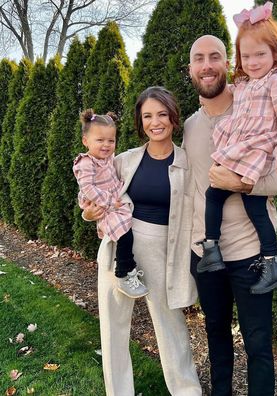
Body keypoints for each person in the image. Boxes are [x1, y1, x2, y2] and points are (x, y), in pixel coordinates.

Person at [185, 28, 277, 396]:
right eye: (199, 59)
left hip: (250, 254)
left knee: (257, 345)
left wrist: (246, 185)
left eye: (214, 57)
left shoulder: (257, 102)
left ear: (226, 63)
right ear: (190, 69)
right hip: (205, 255)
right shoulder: (189, 126)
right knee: (216, 336)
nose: (207, 66)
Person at [83, 87, 202, 396]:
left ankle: (187, 391)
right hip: (118, 247)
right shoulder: (124, 160)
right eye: (147, 116)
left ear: (174, 118)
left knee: (171, 329)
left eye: (162, 114)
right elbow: (93, 190)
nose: (155, 122)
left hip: (163, 251)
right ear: (140, 121)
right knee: (112, 329)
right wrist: (89, 214)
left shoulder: (187, 163)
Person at [197, 1, 277, 296]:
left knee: (229, 199)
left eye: (260, 55)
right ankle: (230, 252)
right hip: (239, 150)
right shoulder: (243, 83)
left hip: (256, 152)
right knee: (235, 201)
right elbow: (229, 106)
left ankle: (223, 251)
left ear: (275, 54)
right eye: (246, 55)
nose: (253, 62)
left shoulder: (276, 82)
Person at [73, 109, 148, 299]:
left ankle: (127, 269)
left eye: (111, 140)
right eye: (100, 140)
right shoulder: (85, 163)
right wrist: (108, 202)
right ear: (85, 141)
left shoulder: (108, 159)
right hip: (102, 204)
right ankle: (123, 272)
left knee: (128, 231)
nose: (106, 145)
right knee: (125, 234)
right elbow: (87, 188)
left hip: (113, 201)